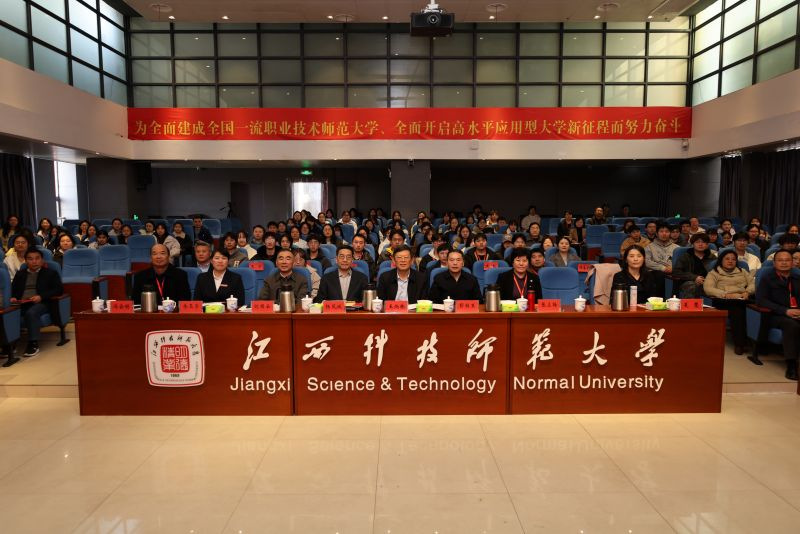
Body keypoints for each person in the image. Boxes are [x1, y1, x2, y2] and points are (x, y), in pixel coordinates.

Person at [7, 247, 64, 363]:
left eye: (37, 258)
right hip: (22, 303)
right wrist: (13, 297)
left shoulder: (50, 273)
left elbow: (58, 290)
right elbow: (13, 290)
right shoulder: (20, 274)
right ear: (26, 261)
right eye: (30, 259)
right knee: (8, 314)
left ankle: (33, 343)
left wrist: (41, 296)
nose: (34, 261)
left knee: (31, 313)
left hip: (42, 303)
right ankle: (10, 343)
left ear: (42, 260)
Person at [755, 249, 800, 379]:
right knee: (791, 325)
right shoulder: (767, 278)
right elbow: (761, 300)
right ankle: (791, 365)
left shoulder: (797, 278)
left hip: (797, 313)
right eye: (780, 260)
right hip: (776, 315)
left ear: (792, 263)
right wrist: (785, 311)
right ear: (774, 263)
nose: (784, 263)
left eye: (787, 260)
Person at [703, 249, 755, 355]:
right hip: (723, 300)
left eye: (733, 259)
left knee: (752, 309)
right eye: (727, 259)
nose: (730, 261)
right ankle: (740, 344)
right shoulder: (714, 273)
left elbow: (753, 284)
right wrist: (725, 294)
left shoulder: (742, 271)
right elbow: (708, 289)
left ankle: (757, 343)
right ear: (721, 260)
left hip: (742, 298)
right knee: (737, 310)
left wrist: (747, 292)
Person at [673, 233, 716, 298]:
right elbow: (676, 272)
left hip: (708, 283)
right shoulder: (686, 256)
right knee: (692, 286)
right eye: (697, 242)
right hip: (689, 282)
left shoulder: (712, 257)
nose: (700, 244)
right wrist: (694, 277)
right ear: (693, 244)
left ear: (707, 245)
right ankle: (690, 305)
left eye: (703, 242)